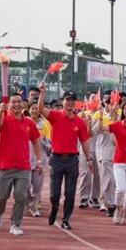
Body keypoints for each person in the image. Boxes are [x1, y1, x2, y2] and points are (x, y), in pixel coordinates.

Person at [37, 82, 93, 230]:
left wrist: (89, 158)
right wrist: (42, 93)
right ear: (63, 101)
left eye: (73, 100)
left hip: (72, 160)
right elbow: (40, 109)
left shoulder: (79, 122)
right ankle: (54, 207)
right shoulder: (55, 116)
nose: (70, 103)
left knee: (70, 193)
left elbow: (84, 141)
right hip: (56, 159)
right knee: (55, 193)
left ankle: (66, 219)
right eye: (68, 100)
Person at [0, 93, 43, 236]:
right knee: (1, 197)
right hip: (4, 165)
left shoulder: (29, 123)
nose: (16, 105)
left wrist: (38, 161)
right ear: (9, 104)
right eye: (13, 102)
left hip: (23, 166)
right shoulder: (4, 118)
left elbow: (35, 142)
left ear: (23, 104)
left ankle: (15, 224)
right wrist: (0, 110)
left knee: (21, 196)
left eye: (19, 102)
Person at [92, 95, 117, 217]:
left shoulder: (124, 119)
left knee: (118, 182)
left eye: (117, 104)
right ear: (107, 105)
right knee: (109, 180)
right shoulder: (104, 119)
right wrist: (88, 123)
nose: (114, 106)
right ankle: (109, 204)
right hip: (106, 153)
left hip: (122, 155)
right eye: (111, 104)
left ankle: (118, 203)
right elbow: (92, 132)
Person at [27, 101, 51, 217]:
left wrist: (44, 139)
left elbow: (50, 144)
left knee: (37, 186)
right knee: (25, 185)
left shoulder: (44, 125)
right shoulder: (25, 123)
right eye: (32, 108)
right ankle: (28, 202)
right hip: (26, 158)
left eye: (37, 108)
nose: (35, 111)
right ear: (28, 110)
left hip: (39, 159)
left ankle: (35, 207)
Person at [78, 91, 101, 210]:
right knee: (85, 172)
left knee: (97, 174)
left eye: (96, 98)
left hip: (98, 148)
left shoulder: (100, 114)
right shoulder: (81, 114)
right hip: (85, 147)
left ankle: (95, 197)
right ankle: (84, 197)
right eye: (92, 98)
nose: (94, 100)